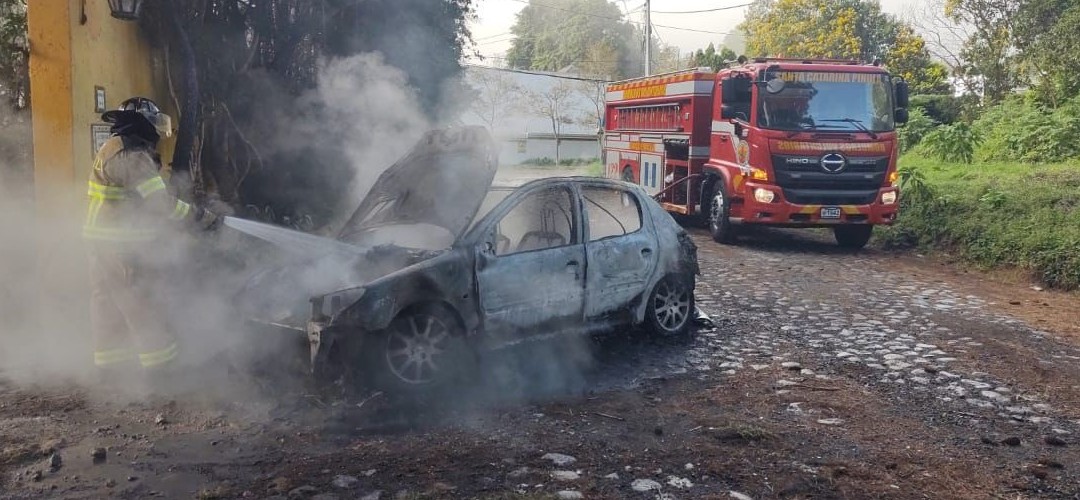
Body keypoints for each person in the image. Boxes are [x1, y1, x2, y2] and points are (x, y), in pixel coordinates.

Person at [83, 97, 222, 388]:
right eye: (155, 126)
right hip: (123, 247)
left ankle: (110, 372)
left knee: (107, 305)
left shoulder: (113, 148)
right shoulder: (132, 157)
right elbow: (161, 204)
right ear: (143, 124)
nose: (158, 134)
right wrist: (200, 217)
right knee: (143, 302)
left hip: (100, 244)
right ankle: (162, 374)